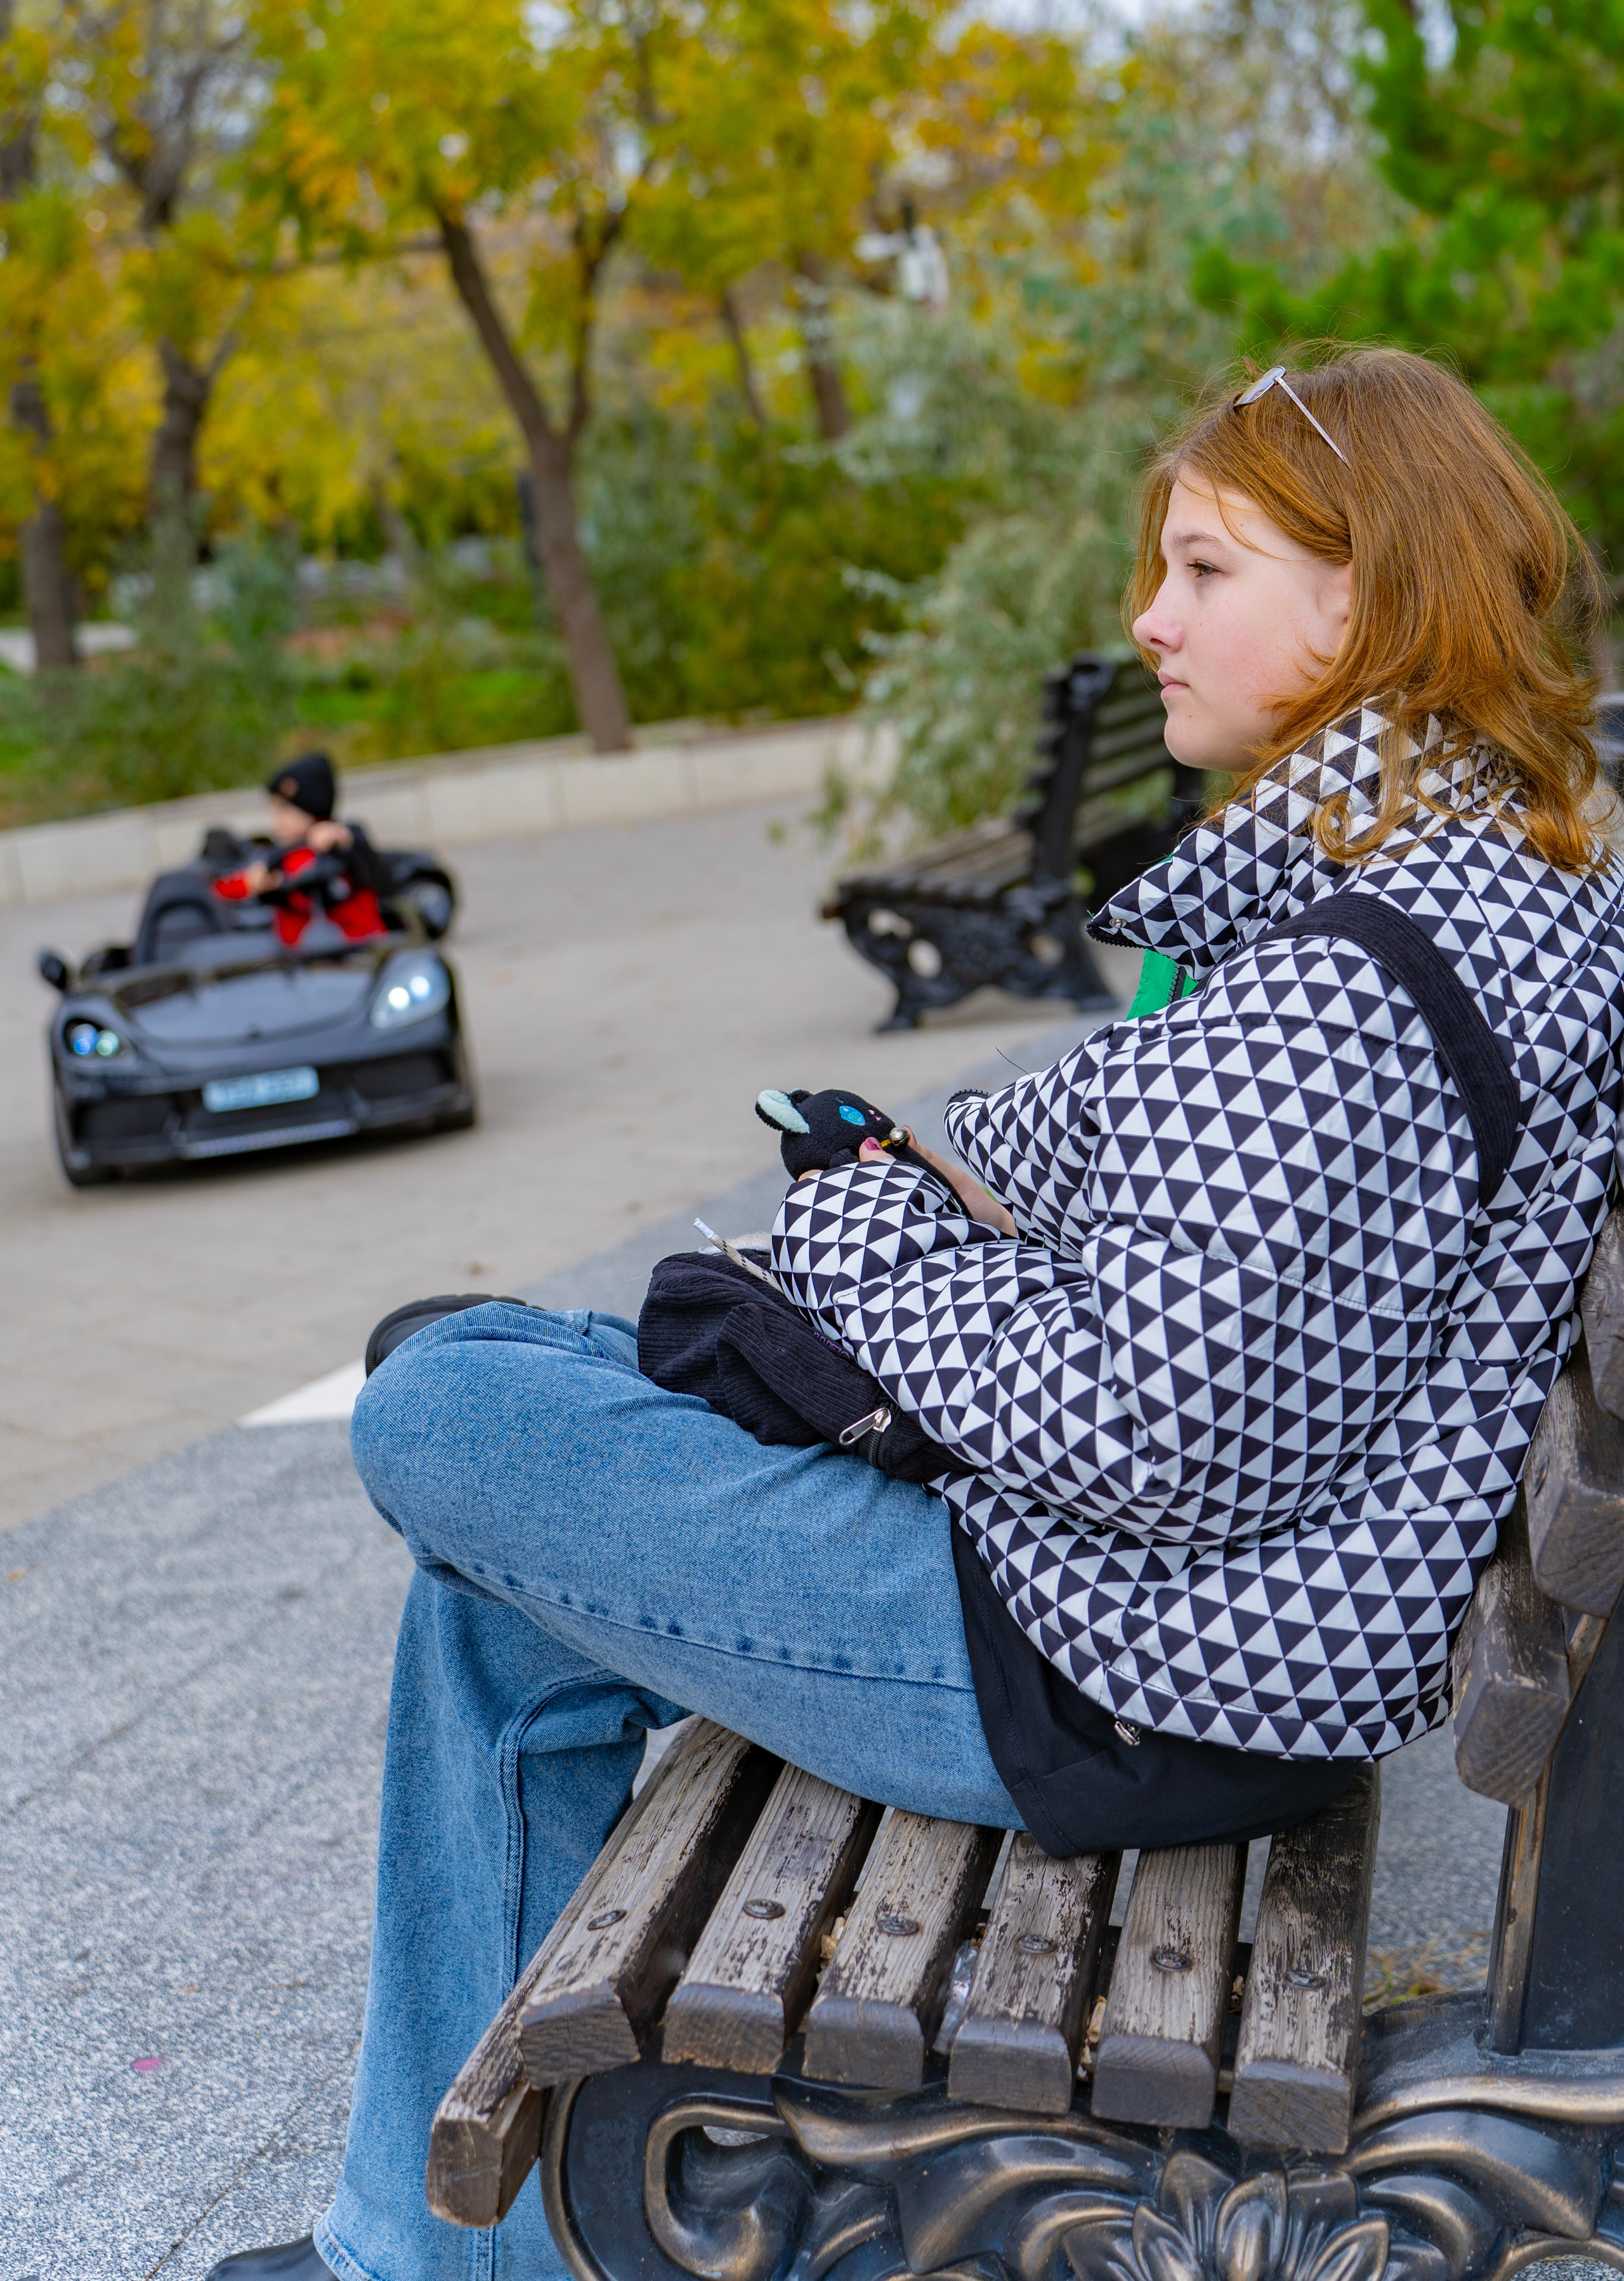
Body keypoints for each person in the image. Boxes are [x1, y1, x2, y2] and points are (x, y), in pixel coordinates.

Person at [211, 347, 1624, 2281]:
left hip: (1120, 1672)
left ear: (1364, 592)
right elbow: (1100, 1171)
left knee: (438, 1421)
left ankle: (428, 2256)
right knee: (497, 1579)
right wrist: (918, 1207)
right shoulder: (1460, 871)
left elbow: (1147, 1434)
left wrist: (878, 1260)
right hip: (1187, 1636)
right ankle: (428, 2253)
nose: (1149, 615)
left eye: (1203, 569)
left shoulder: (1354, 983)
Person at [213, 751, 386, 945]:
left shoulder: (342, 843)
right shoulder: (279, 854)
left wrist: (340, 838)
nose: (276, 820)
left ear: (309, 808)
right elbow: (231, 887)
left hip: (354, 951)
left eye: (284, 809)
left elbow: (359, 860)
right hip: (300, 955)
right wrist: (255, 883)